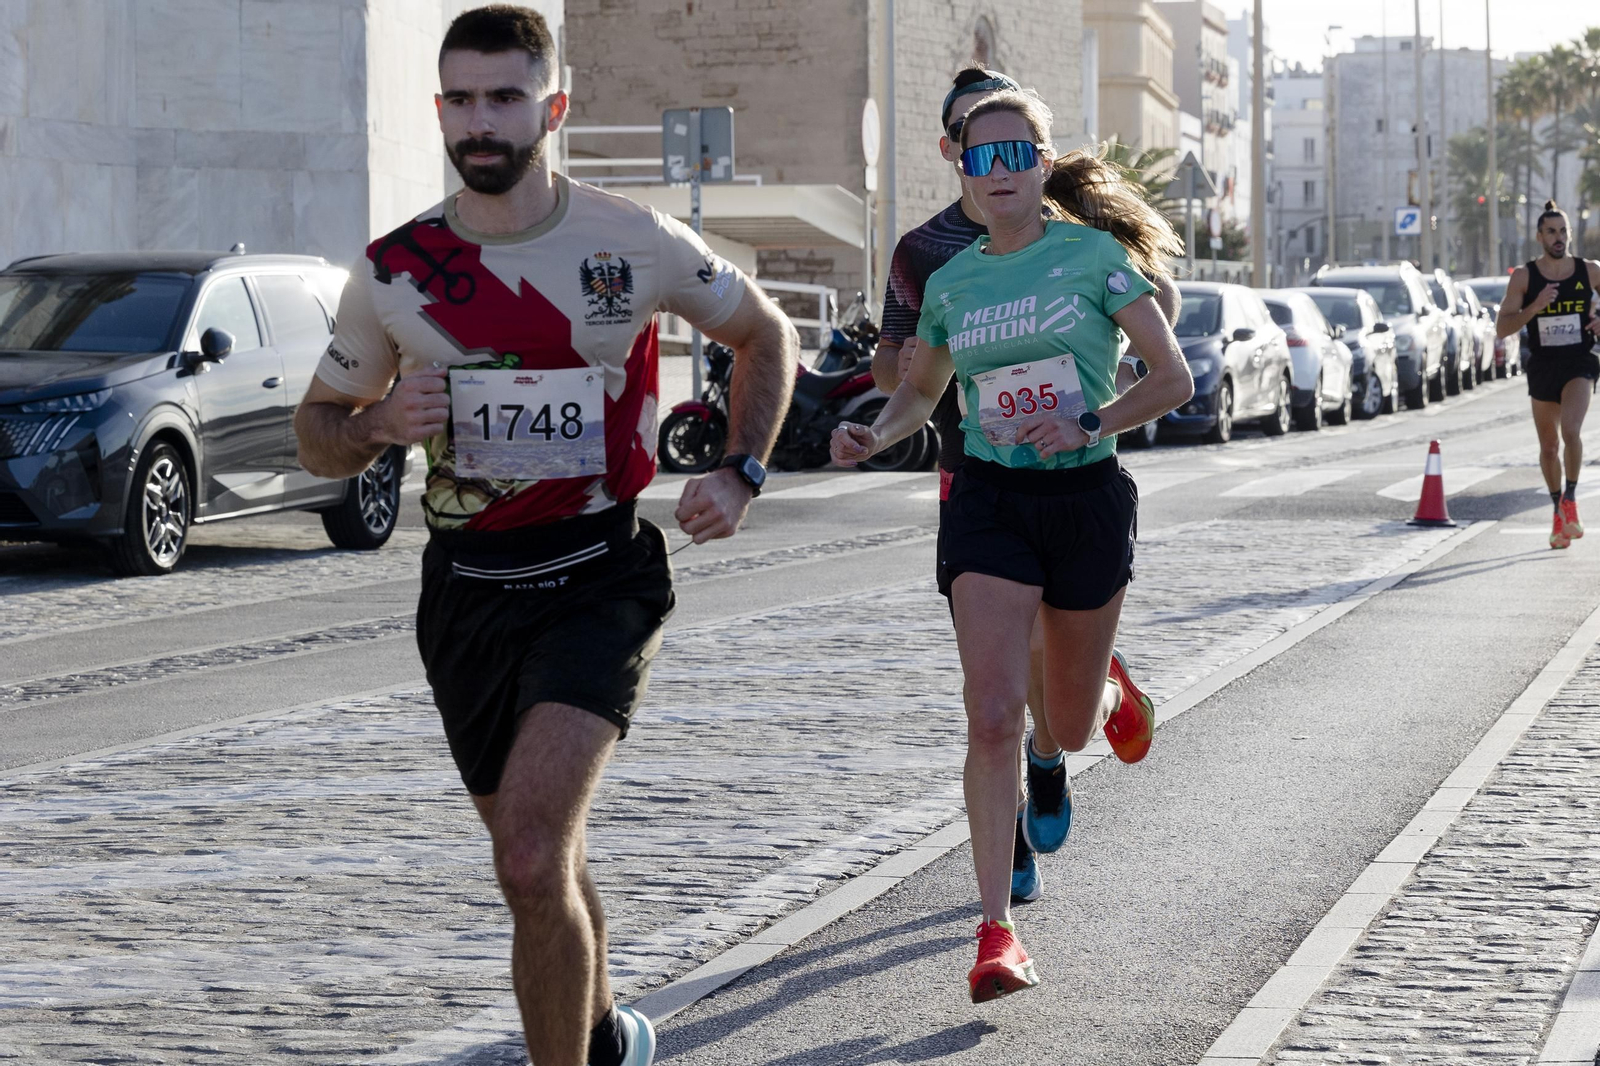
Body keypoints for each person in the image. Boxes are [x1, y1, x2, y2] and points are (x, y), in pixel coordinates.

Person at [292, 7, 797, 1065]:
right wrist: (379, 424)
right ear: (440, 110)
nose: (482, 121)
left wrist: (742, 470)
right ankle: (603, 1030)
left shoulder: (632, 238)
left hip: (596, 576)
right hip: (467, 591)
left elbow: (765, 333)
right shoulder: (396, 269)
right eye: (462, 99)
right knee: (539, 858)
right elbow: (314, 434)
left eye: (506, 97)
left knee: (527, 855)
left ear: (552, 107)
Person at [833, 89, 1192, 1003]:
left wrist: (1090, 423)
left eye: (1015, 156)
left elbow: (1172, 378)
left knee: (1065, 726)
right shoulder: (949, 284)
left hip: (1083, 501)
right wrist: (875, 433)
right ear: (959, 168)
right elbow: (922, 393)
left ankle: (1110, 685)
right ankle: (996, 930)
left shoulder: (1097, 258)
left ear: (1040, 163)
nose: (998, 174)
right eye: (979, 159)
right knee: (993, 714)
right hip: (988, 502)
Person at [1496, 201, 1600, 549]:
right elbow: (1502, 328)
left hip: (1579, 362)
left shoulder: (1589, 270)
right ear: (1539, 236)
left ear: (1570, 234)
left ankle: (1570, 498)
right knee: (1548, 446)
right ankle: (1558, 511)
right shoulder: (1525, 276)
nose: (1558, 238)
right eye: (1551, 232)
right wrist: (1534, 307)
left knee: (1571, 430)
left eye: (1563, 231)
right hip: (1543, 365)